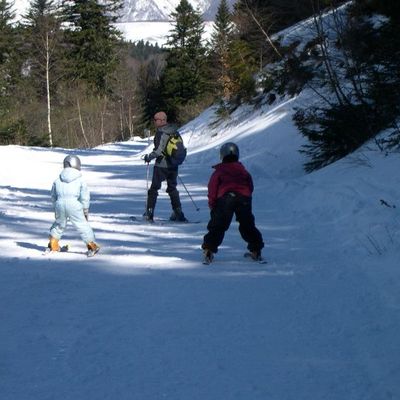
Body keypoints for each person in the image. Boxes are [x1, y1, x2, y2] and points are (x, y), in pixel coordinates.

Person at [202, 142, 264, 263]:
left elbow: (212, 188)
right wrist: (246, 198)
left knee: (218, 225)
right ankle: (256, 249)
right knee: (247, 224)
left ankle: (209, 249)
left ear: (222, 156)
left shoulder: (219, 171)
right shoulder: (243, 171)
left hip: (226, 198)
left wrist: (212, 204)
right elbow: (250, 186)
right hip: (244, 198)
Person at [47, 155, 100, 256]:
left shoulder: (58, 180)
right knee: (82, 225)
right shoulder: (80, 180)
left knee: (59, 224)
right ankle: (92, 245)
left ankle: (53, 244)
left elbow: (53, 195)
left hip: (60, 204)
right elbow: (84, 196)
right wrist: (85, 209)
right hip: (74, 205)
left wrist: (56, 207)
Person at [143, 111, 187, 222]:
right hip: (173, 164)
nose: (154, 121)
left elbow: (158, 151)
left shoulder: (160, 133)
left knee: (154, 189)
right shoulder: (174, 131)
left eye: (156, 119)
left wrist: (149, 157)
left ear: (162, 120)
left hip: (161, 165)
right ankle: (178, 212)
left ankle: (150, 212)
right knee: (172, 188)